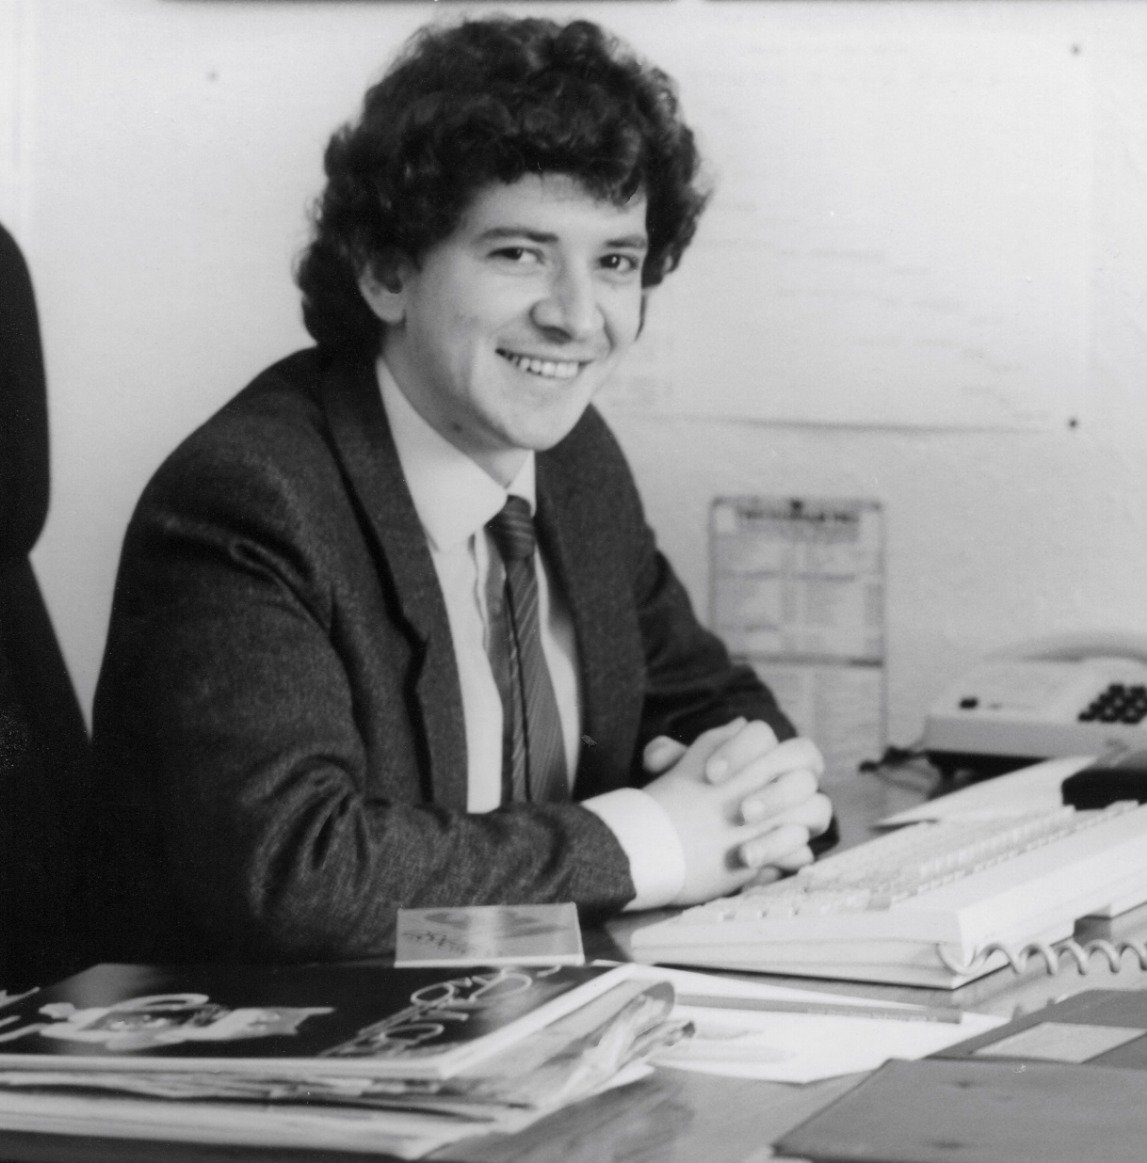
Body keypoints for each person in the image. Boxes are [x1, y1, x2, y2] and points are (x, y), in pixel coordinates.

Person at [86, 16, 832, 965]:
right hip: (289, 1071)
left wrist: (764, 794)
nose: (576, 316)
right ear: (387, 269)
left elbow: (714, 706)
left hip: (537, 1036)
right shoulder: (250, 499)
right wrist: (655, 841)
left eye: (615, 261)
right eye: (519, 252)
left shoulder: (576, 462)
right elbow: (296, 880)